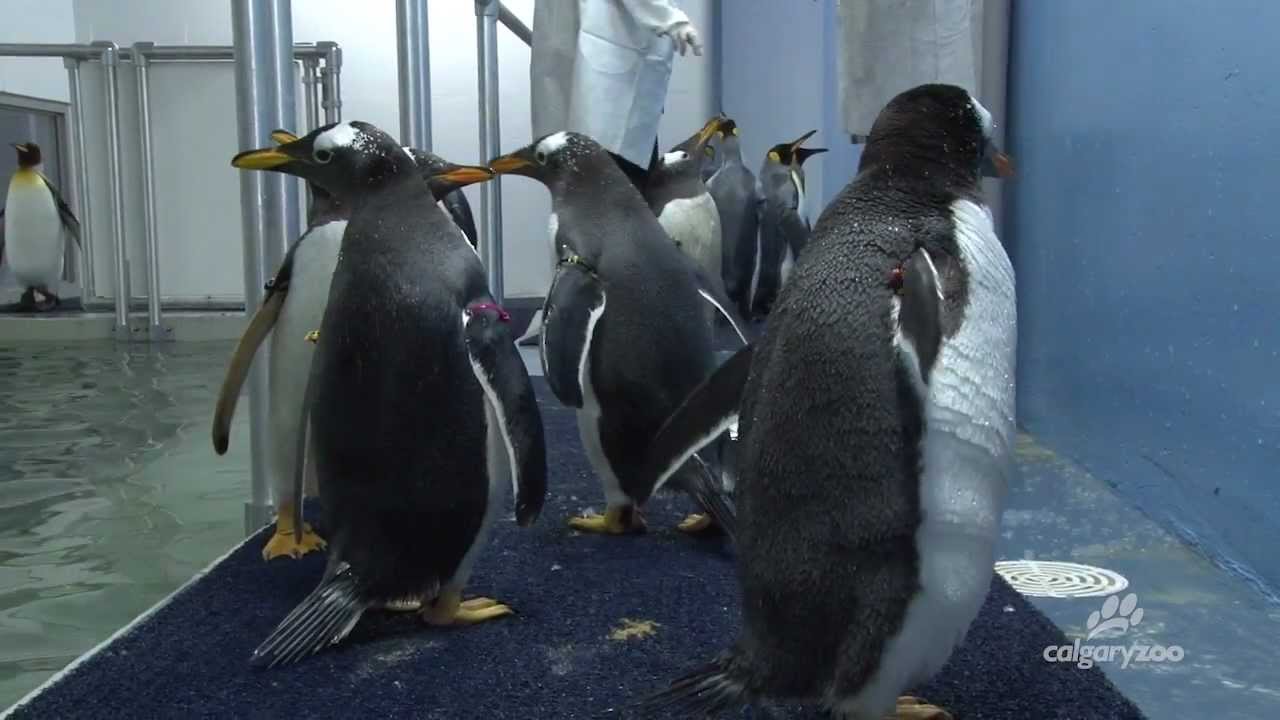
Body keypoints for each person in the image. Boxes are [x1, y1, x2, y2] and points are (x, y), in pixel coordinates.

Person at [520, 0, 703, 344]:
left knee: (589, 217)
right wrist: (669, 17)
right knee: (617, 226)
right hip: (612, 84)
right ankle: (618, 336)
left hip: (602, 69)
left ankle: (585, 329)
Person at [529, 0, 703, 190]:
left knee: (588, 184)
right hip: (613, 79)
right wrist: (671, 19)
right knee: (617, 191)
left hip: (597, 67)